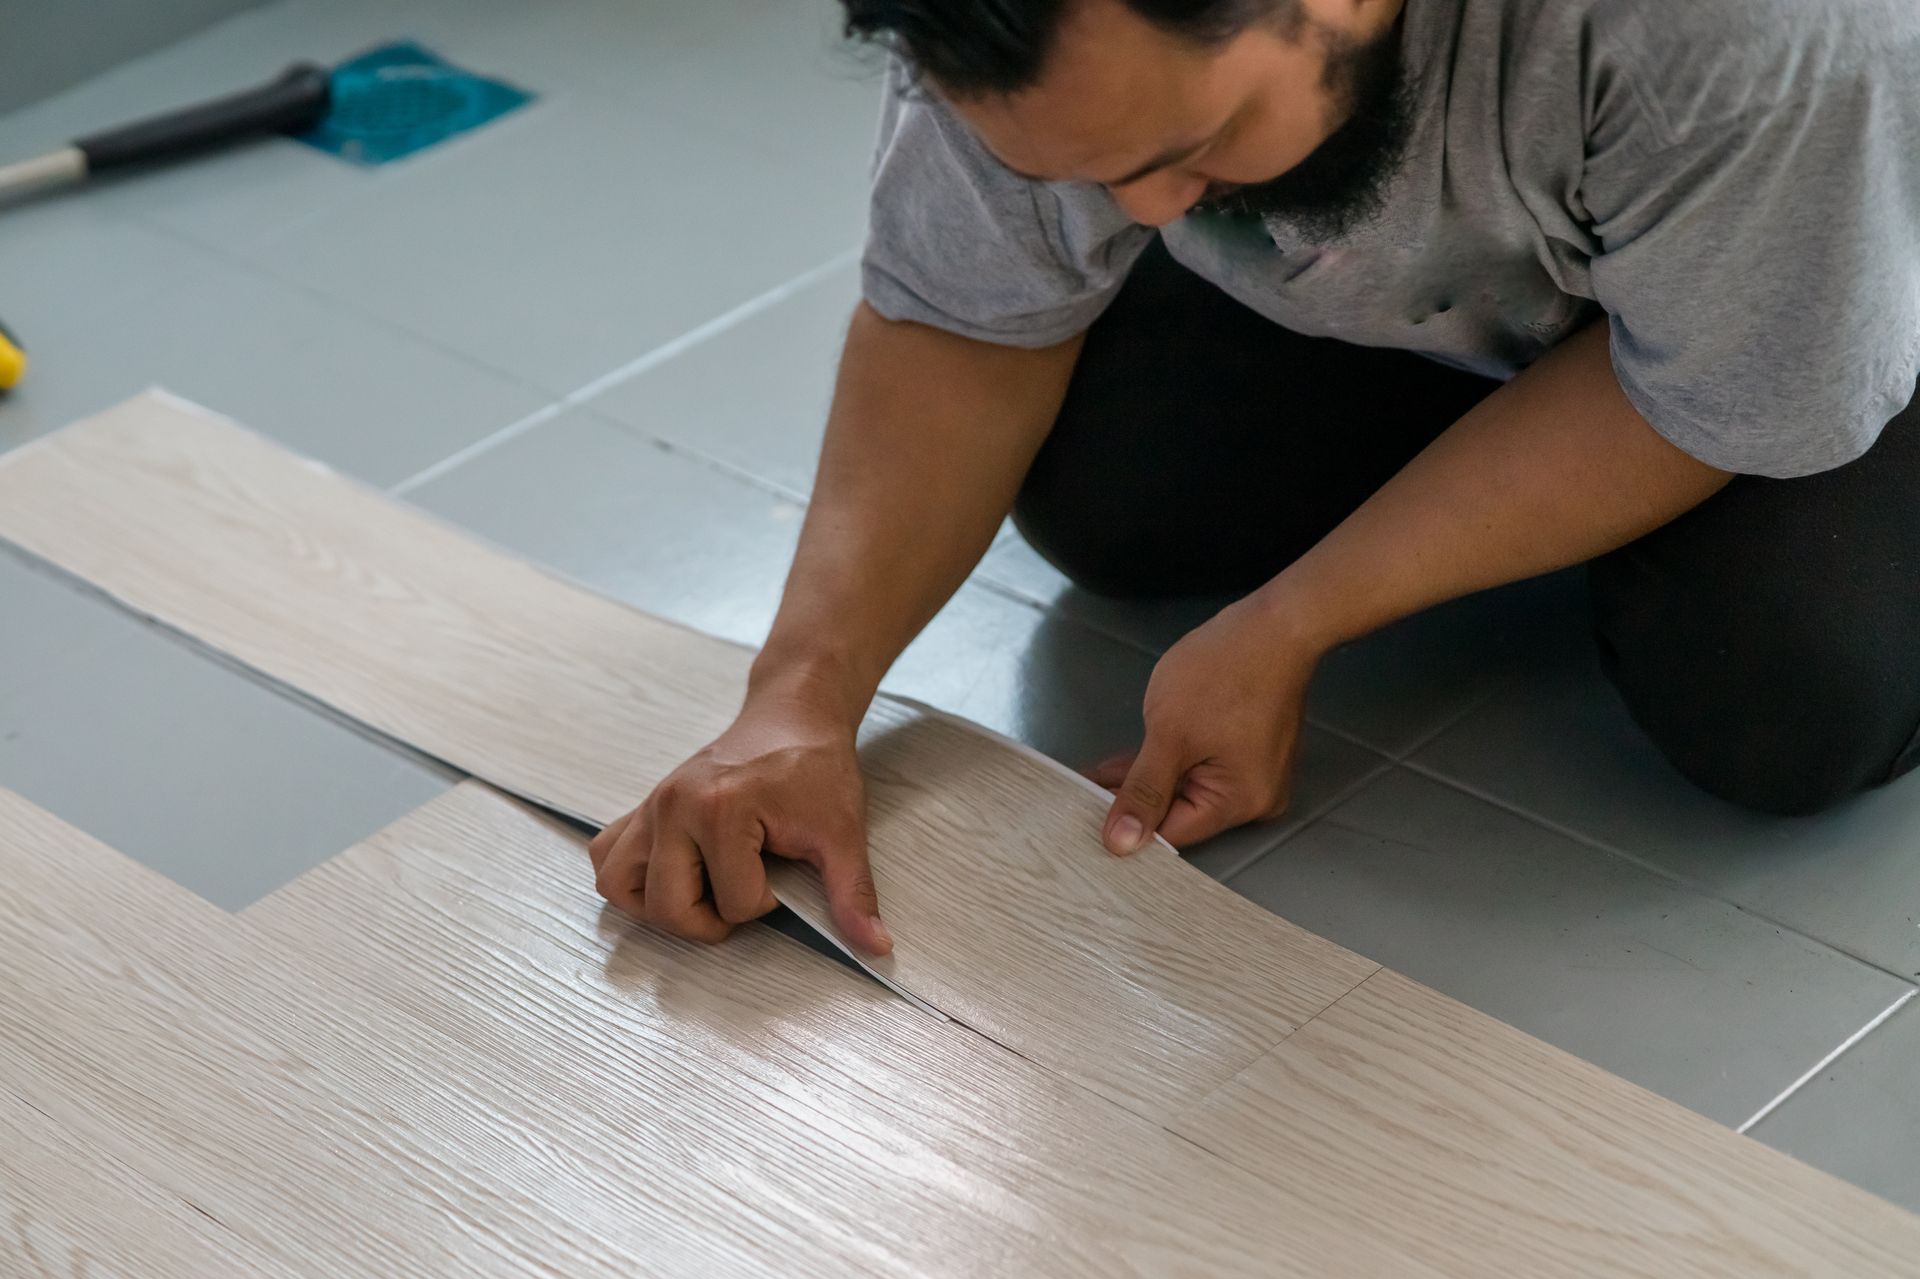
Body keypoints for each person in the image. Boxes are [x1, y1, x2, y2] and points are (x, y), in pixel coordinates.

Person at [589, 0, 1920, 953]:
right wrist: (799, 700)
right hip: (1530, 240)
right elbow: (957, 313)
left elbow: (1735, 396)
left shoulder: (1737, 35)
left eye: (1193, 142)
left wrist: (1297, 620)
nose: (1153, 211)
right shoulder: (994, 23)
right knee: (1110, 495)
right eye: (1096, 172)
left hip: (1842, 242)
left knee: (1785, 692)